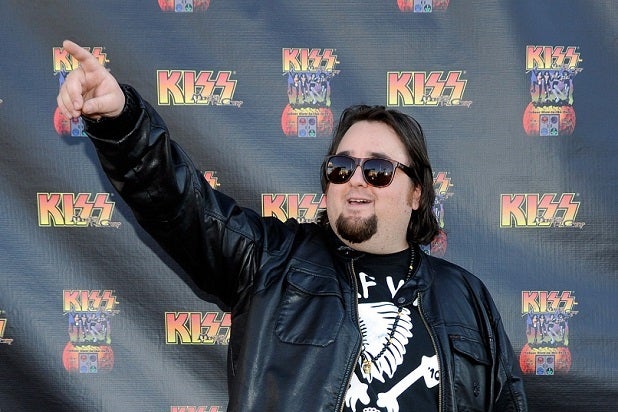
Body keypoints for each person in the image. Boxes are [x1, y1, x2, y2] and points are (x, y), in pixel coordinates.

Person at [57, 40, 527, 412]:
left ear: (417, 193)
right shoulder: (269, 263)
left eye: (378, 170)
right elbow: (179, 203)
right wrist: (122, 123)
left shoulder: (467, 299)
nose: (355, 179)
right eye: (341, 167)